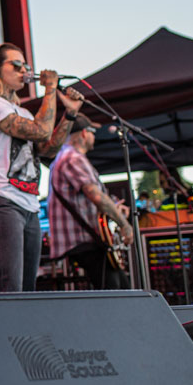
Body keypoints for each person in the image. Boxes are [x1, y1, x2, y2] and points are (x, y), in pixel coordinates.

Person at [0, 43, 84, 292]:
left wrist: (70, 115)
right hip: (1, 201)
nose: (24, 70)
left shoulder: (21, 111)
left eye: (26, 66)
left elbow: (47, 150)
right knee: (9, 285)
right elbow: (41, 130)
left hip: (29, 205)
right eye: (16, 65)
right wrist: (51, 89)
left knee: (27, 288)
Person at [47, 113, 134, 289]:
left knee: (121, 290)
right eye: (92, 132)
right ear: (84, 134)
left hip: (89, 239)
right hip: (83, 240)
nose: (94, 136)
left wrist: (114, 209)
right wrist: (124, 224)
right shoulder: (73, 158)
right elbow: (96, 196)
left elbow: (87, 199)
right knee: (116, 295)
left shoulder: (68, 157)